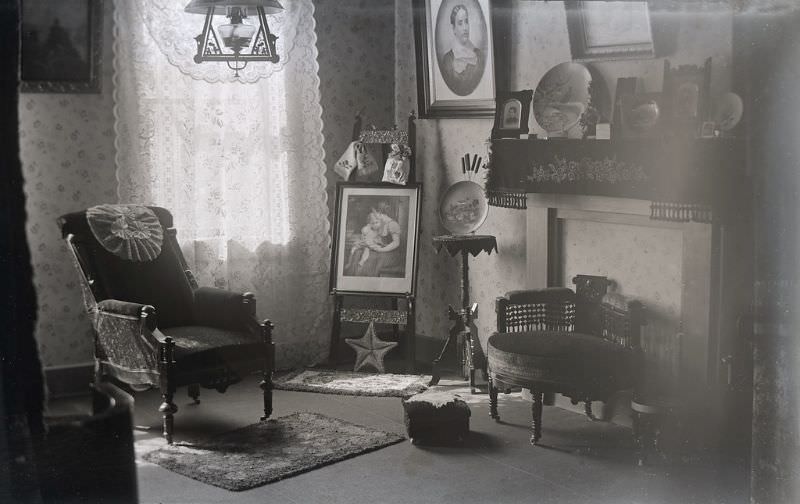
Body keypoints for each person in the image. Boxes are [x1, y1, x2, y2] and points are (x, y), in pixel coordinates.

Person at [439, 4, 485, 97]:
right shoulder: (448, 60)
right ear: (453, 28)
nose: (465, 27)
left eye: (466, 21)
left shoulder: (479, 56)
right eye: (460, 23)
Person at [349, 201, 405, 278]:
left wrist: (381, 250)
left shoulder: (392, 224)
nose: (373, 215)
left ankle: (367, 282)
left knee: (371, 258)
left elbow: (396, 243)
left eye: (375, 213)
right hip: (379, 247)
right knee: (358, 253)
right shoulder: (378, 222)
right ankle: (355, 279)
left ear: (380, 212)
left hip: (391, 252)